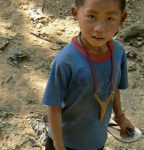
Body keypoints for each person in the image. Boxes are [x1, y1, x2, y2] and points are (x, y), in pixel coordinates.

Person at [42, 0, 135, 149]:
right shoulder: (66, 61)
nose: (99, 28)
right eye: (91, 16)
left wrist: (120, 117)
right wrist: (59, 147)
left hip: (96, 141)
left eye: (110, 18)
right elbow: (54, 107)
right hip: (65, 143)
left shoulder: (118, 52)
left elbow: (114, 87)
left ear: (122, 19)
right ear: (75, 13)